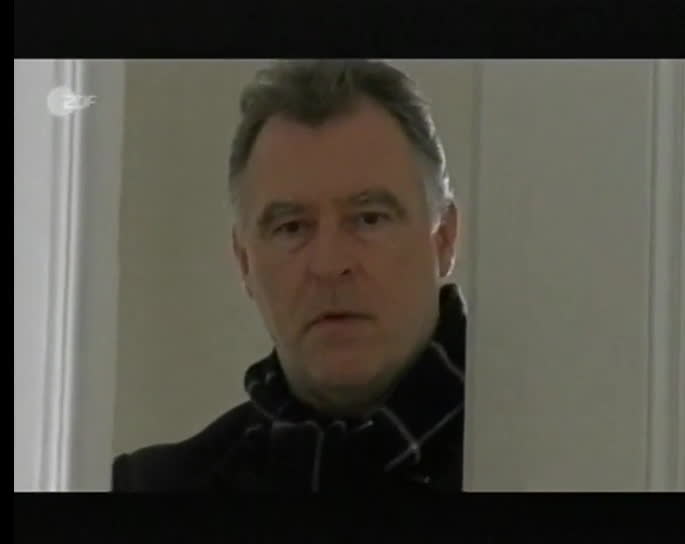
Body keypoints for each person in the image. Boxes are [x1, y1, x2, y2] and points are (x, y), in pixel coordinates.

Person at [112, 59, 466, 492]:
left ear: (443, 239)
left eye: (369, 219)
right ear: (245, 262)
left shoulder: (536, 445)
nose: (329, 265)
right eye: (292, 227)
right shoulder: (148, 486)